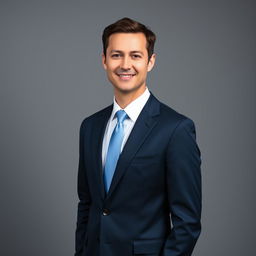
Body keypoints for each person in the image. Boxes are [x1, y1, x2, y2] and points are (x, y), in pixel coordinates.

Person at [75, 17, 202, 256]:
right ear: (104, 60)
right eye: (116, 55)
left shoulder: (176, 129)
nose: (125, 64)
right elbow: (88, 205)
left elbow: (188, 223)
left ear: (150, 61)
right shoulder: (90, 127)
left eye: (135, 55)